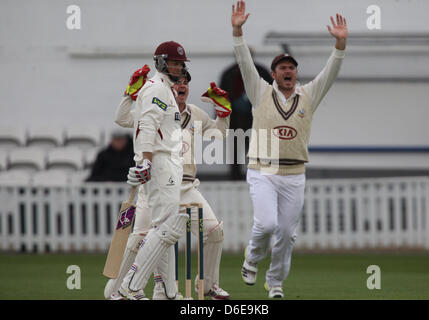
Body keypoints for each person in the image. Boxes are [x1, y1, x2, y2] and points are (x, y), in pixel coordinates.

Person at [231, 0, 347, 298]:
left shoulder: (308, 95)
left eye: (292, 68)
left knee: (287, 234)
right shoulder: (260, 92)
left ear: (296, 73)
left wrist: (340, 46)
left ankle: (276, 282)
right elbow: (245, 64)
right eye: (283, 67)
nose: (288, 71)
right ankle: (252, 258)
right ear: (273, 73)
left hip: (295, 174)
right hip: (263, 169)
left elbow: (329, 75)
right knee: (267, 223)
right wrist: (238, 32)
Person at [104, 70, 232, 300]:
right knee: (142, 237)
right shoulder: (155, 109)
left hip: (187, 187)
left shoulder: (195, 114)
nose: (182, 85)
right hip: (155, 185)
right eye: (178, 81)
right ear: (169, 86)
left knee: (214, 232)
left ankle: (208, 286)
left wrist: (223, 115)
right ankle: (120, 291)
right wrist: (129, 96)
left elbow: (218, 134)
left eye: (186, 82)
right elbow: (122, 119)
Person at [116, 41, 191, 300]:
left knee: (164, 229)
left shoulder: (163, 90)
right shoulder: (158, 88)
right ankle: (130, 284)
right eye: (173, 62)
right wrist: (146, 160)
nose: (177, 67)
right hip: (160, 163)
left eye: (180, 63)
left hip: (166, 164)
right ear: (160, 62)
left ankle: (168, 292)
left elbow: (127, 119)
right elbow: (146, 125)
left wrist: (128, 97)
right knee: (168, 228)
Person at [219, 49, 272, 180]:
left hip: (255, 118)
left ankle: (257, 177)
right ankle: (235, 178)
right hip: (235, 118)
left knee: (256, 150)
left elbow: (271, 92)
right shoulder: (228, 73)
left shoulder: (261, 72)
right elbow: (219, 96)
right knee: (235, 150)